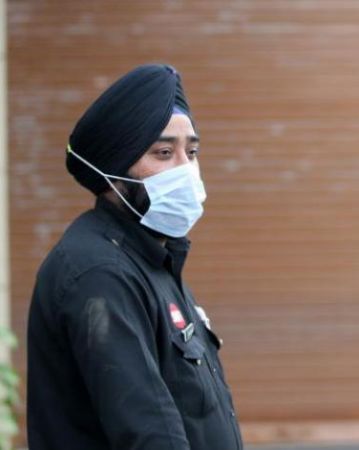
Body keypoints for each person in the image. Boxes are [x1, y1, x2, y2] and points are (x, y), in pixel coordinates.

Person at [26, 64, 243, 450]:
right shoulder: (100, 273)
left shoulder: (153, 259)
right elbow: (148, 433)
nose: (186, 170)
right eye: (164, 153)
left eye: (192, 152)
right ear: (115, 169)